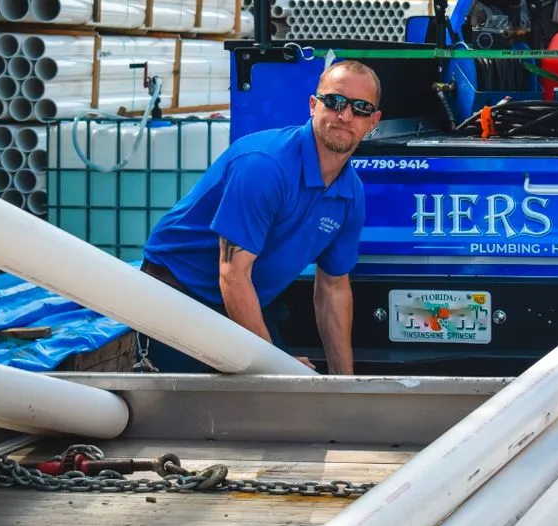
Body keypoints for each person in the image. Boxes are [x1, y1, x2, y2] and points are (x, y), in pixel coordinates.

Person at [139, 59, 382, 375]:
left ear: (373, 121)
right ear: (313, 105)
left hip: (243, 298)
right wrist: (276, 367)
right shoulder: (264, 166)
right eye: (334, 101)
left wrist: (344, 385)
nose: (345, 116)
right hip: (179, 295)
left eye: (360, 108)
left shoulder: (350, 192)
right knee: (206, 402)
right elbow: (232, 275)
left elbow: (333, 289)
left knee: (287, 390)